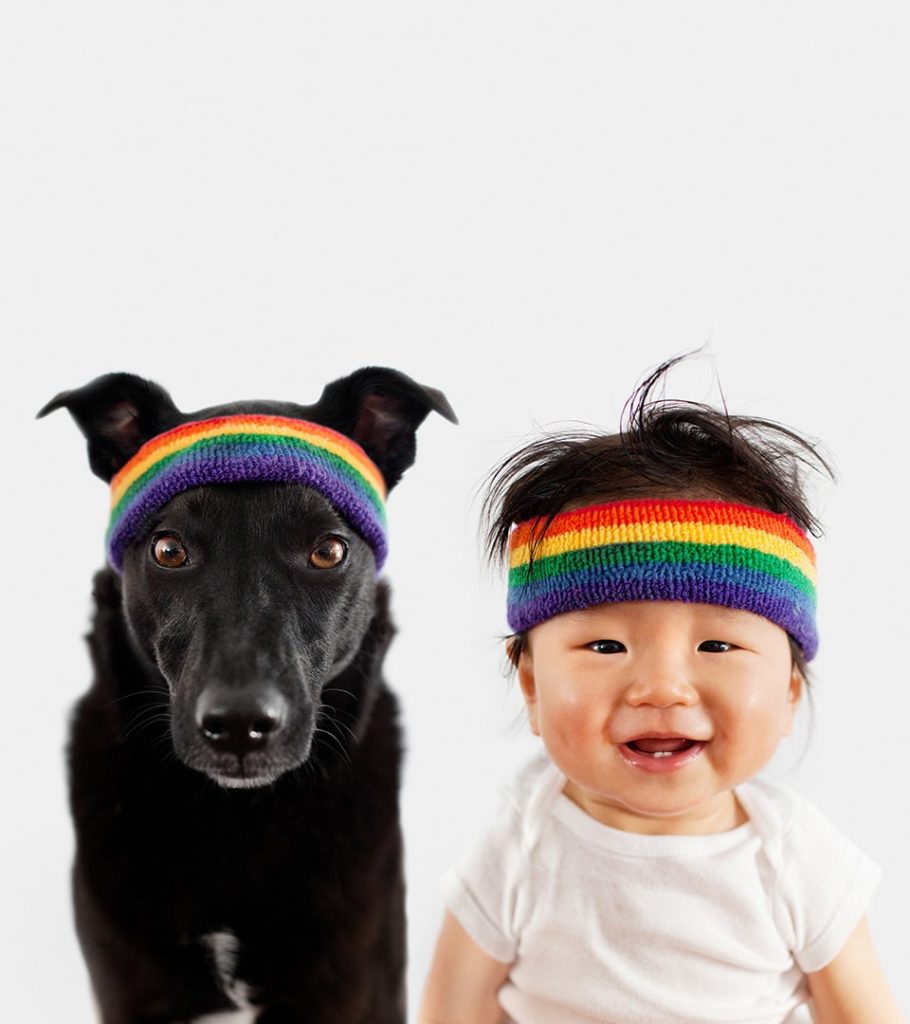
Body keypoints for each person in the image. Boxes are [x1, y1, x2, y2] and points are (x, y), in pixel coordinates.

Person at [419, 359, 904, 1024]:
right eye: (606, 647)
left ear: (789, 689)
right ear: (531, 684)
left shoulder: (796, 862)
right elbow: (453, 1011)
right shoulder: (521, 848)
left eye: (717, 646)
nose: (662, 688)